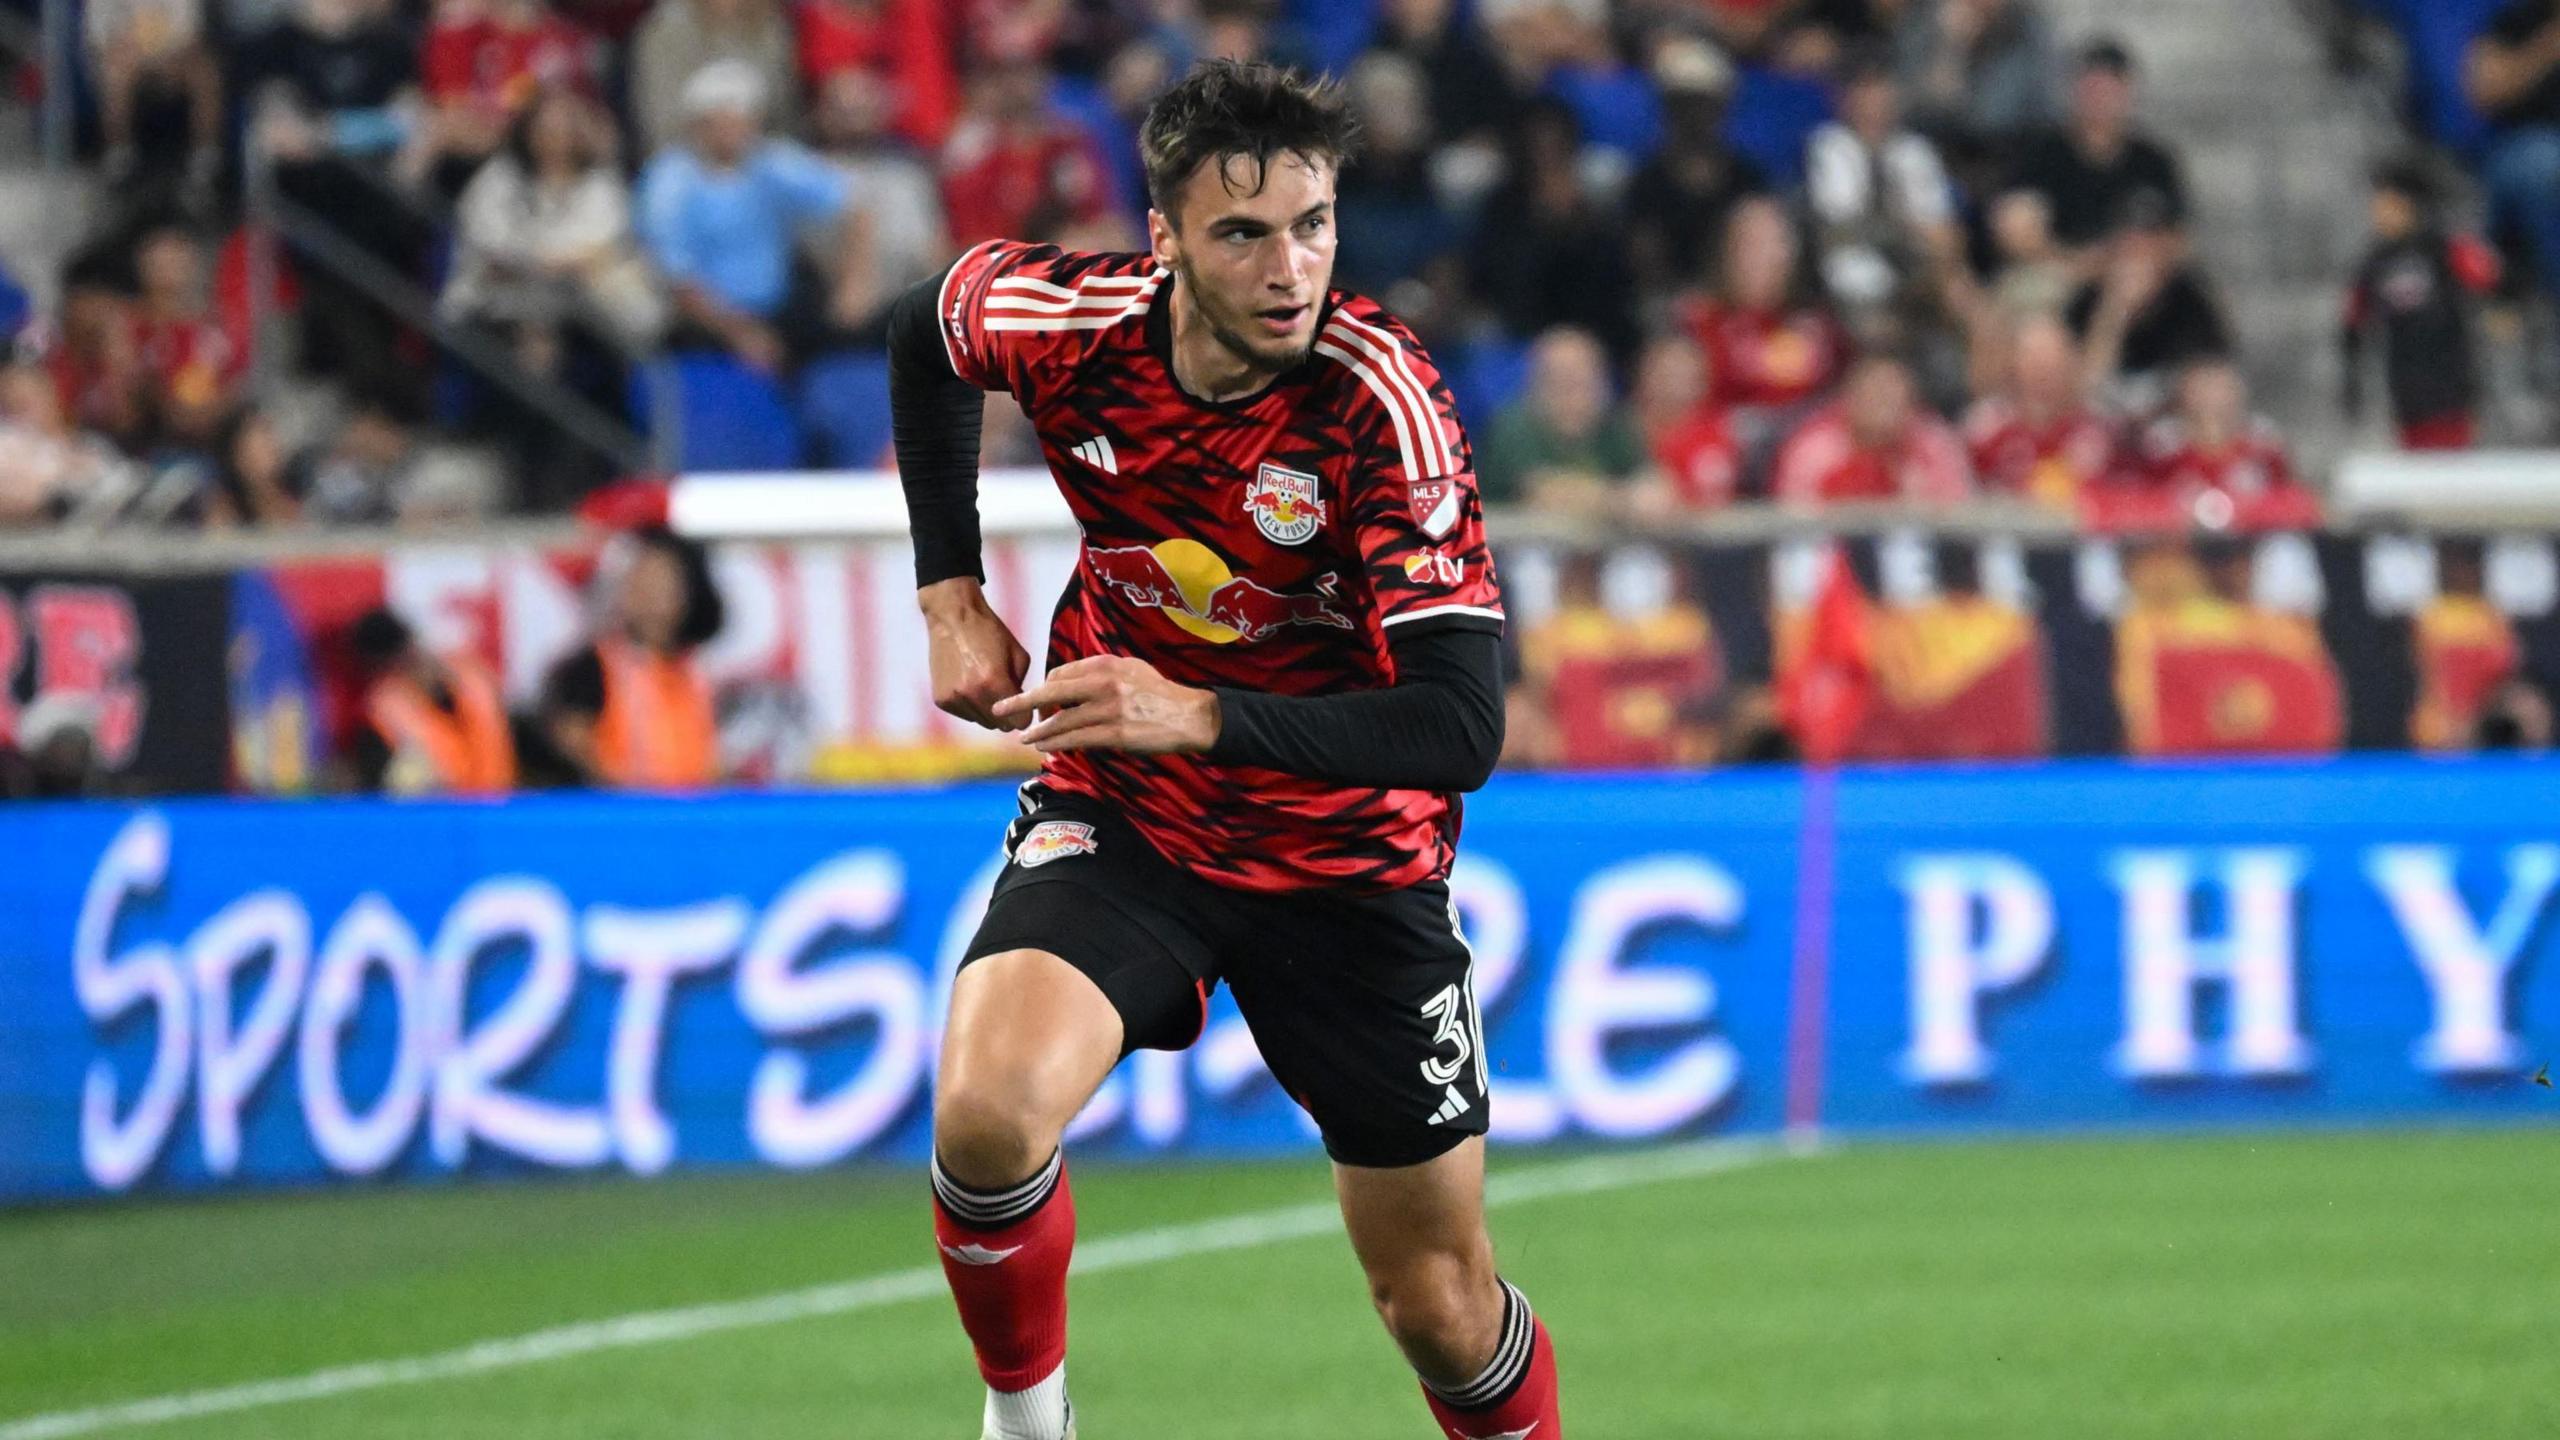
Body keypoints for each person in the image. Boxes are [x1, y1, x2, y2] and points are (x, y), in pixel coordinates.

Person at [885, 59, 1558, 1440]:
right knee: (987, 1118)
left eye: (1312, 225)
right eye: (1244, 232)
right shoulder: (1074, 327)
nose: (1288, 265)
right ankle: (1029, 1428)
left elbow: (1459, 726)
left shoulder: (1383, 404)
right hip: (1135, 811)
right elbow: (924, 331)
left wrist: (1194, 709)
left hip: (1348, 858)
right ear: (1166, 240)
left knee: (1434, 1302)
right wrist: (949, 591)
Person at [637, 59, 868, 374]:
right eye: (722, 122)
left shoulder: (770, 159)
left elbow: (855, 203)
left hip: (778, 306)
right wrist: (739, 333)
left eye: (742, 121)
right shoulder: (669, 179)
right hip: (703, 321)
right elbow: (676, 277)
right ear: (699, 126)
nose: (735, 131)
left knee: (850, 338)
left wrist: (853, 282)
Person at [538, 525, 725, 788]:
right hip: (621, 816)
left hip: (691, 816)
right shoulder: (592, 667)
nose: (651, 593)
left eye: (663, 581)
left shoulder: (698, 675)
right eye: (641, 578)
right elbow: (570, 742)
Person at [2342, 160, 2501, 451]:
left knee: (2456, 468)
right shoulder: (2376, 261)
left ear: (2408, 204)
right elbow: (2353, 320)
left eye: (2384, 204)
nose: (2376, 213)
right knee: (2418, 468)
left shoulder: (2443, 249)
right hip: (2406, 390)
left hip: (2453, 385)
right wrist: (2352, 380)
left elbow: (2491, 281)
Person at [2007, 39, 2188, 258]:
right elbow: (2013, 224)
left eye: (2109, 88)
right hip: (2057, 267)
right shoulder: (2041, 152)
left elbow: (2176, 235)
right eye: (2091, 87)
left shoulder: (2152, 161)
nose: (2099, 98)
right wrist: (2076, 263)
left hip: (2129, 271)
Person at [345, 607, 518, 793]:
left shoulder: (475, 680)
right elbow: (385, 785)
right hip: (440, 817)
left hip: (505, 810)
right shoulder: (386, 718)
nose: (411, 663)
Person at [1475, 325, 1647, 512]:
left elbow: (1651, 488)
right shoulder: (1513, 426)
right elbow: (1545, 493)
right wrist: (1620, 497)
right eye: (1560, 381)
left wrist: (1632, 495)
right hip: (1511, 536)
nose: (1573, 395)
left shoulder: (1613, 425)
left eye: (1584, 381)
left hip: (1595, 538)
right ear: (1538, 383)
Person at [1770, 350, 1973, 505]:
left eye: (1893, 395)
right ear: (1850, 398)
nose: (1885, 406)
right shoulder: (1813, 447)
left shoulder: (1934, 442)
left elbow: (1960, 512)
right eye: (1875, 394)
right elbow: (1794, 519)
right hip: (1833, 550)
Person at [1963, 313, 2113, 508]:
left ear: (2072, 363)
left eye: (2052, 358)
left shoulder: (2100, 429)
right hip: (2005, 530)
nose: (2042, 368)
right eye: (2032, 357)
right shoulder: (1985, 427)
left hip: (2082, 532)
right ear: (2013, 363)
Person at [2467, 0, 2560, 295]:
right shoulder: (2516, 22)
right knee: (2546, 164)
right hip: (2520, 154)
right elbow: (2484, 92)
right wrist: (2546, 48)